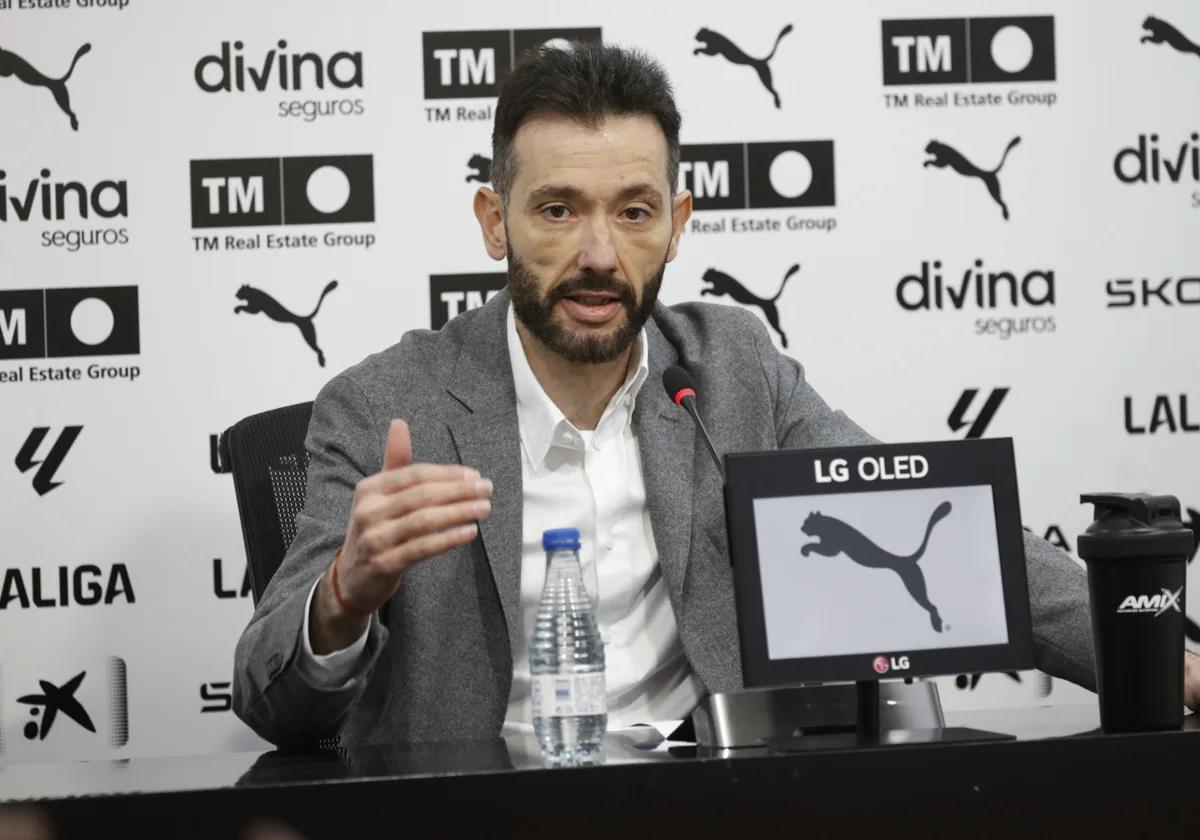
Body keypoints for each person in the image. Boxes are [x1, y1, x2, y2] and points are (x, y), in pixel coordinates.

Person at [232, 43, 1200, 746]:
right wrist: (342, 599)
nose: (600, 255)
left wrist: (1173, 660)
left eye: (635, 211)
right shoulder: (382, 405)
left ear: (679, 222)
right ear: (495, 221)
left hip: (708, 803)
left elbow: (941, 534)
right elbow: (270, 695)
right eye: (558, 210)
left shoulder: (731, 368)